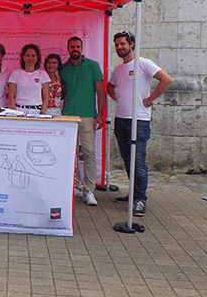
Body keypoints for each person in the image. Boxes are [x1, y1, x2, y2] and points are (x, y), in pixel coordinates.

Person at [107, 31, 173, 217]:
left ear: (132, 44)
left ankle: (140, 199)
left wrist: (149, 99)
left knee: (138, 162)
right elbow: (110, 86)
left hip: (139, 121)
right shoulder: (119, 69)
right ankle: (134, 194)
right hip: (121, 119)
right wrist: (116, 97)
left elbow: (166, 79)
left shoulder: (143, 63)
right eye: (117, 45)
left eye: (123, 44)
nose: (120, 47)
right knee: (128, 161)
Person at [60, 36, 105, 206]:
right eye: (72, 46)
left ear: (82, 47)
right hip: (68, 115)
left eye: (78, 46)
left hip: (88, 115)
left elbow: (101, 91)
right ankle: (77, 187)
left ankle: (89, 190)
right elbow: (62, 92)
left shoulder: (92, 65)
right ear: (68, 48)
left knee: (88, 153)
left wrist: (100, 114)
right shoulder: (63, 68)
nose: (75, 49)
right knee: (71, 155)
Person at [7, 43, 50, 113]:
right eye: (27, 55)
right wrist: (14, 112)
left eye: (33, 55)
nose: (30, 58)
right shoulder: (15, 74)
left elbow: (46, 96)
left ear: (37, 57)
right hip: (19, 110)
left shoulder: (43, 74)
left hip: (36, 111)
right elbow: (11, 95)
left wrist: (43, 112)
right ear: (23, 57)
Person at [41, 53, 64, 117]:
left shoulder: (60, 79)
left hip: (57, 111)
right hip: (43, 110)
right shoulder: (41, 78)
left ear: (58, 65)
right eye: (49, 62)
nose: (51, 65)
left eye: (54, 63)